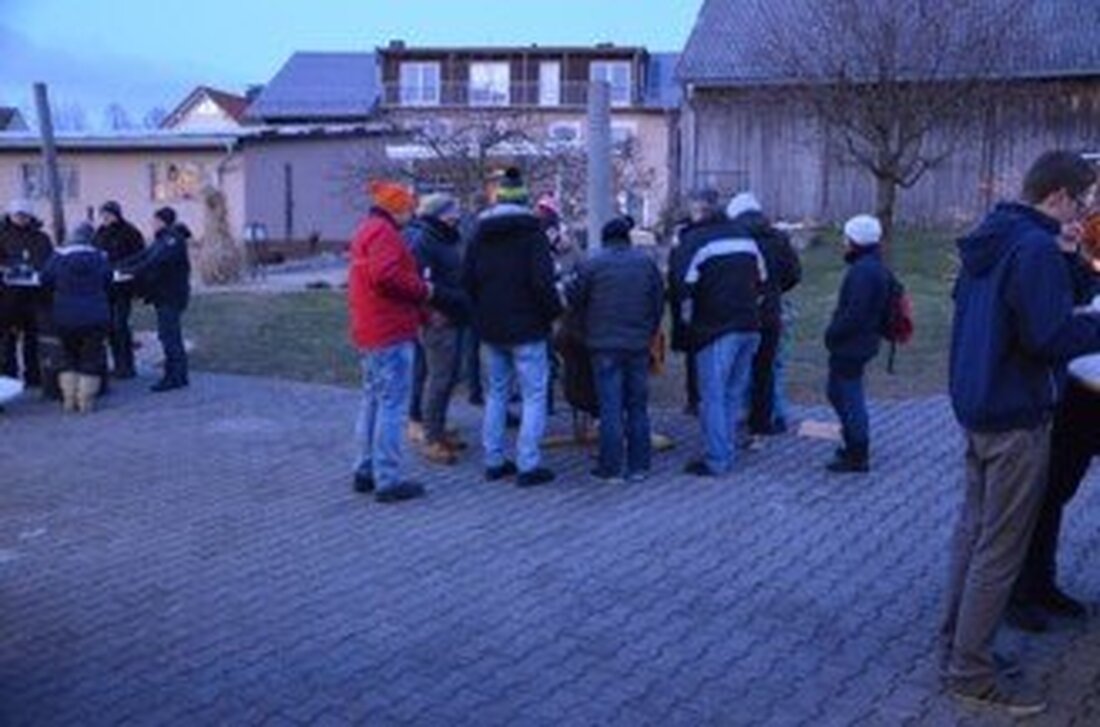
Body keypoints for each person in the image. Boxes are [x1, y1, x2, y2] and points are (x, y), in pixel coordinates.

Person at [941, 150, 1100, 716]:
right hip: (1014, 416)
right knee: (999, 550)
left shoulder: (999, 234)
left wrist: (1076, 259)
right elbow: (1049, 335)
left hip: (980, 405)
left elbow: (1054, 302)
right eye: (1081, 200)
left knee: (974, 533)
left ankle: (956, 646)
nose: (1084, 211)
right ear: (1057, 195)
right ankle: (971, 671)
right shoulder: (1032, 247)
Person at [1008, 210, 1100, 632]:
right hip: (1079, 394)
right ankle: (1029, 587)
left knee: (1054, 492)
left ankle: (1039, 584)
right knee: (1049, 493)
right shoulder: (1059, 259)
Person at [463, 167, 562, 487]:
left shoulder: (478, 235)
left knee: (497, 394)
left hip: (491, 328)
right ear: (525, 201)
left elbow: (468, 281)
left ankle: (493, 460)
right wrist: (552, 314)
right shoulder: (533, 235)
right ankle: (528, 464)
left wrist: (480, 314)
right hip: (528, 327)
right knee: (534, 395)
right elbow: (543, 284)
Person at [668, 190, 767, 478]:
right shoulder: (745, 237)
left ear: (698, 211)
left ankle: (717, 459)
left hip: (715, 329)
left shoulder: (696, 240)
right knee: (732, 393)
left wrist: (686, 325)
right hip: (750, 324)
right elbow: (763, 281)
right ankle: (726, 450)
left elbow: (681, 287)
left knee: (712, 396)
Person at [348, 181, 432, 504]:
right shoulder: (384, 234)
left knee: (372, 401)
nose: (411, 216)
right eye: (408, 209)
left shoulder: (366, 231)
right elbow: (386, 276)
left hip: (369, 331)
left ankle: (365, 469)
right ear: (396, 208)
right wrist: (424, 289)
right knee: (392, 406)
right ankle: (388, 478)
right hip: (390, 332)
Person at [567, 216, 664, 482]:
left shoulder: (592, 263)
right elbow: (658, 303)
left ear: (605, 238)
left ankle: (610, 468)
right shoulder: (646, 264)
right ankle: (639, 466)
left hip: (603, 344)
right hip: (637, 344)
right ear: (628, 237)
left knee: (610, 407)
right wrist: (648, 331)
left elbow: (576, 299)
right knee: (637, 406)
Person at [725, 193, 802, 446]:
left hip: (739, 311)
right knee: (765, 369)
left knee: (735, 367)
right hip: (770, 311)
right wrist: (775, 289)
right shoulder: (778, 238)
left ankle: (731, 419)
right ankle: (761, 425)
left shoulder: (732, 237)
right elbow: (793, 274)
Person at [823, 215, 891, 473]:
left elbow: (855, 313)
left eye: (847, 236)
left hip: (852, 344)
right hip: (860, 341)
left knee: (848, 396)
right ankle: (853, 440)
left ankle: (857, 452)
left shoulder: (864, 271)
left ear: (856, 241)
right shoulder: (871, 265)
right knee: (837, 392)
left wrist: (833, 333)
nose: (844, 241)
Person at [406, 193, 471, 465]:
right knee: (439, 379)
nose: (459, 214)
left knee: (450, 377)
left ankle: (439, 427)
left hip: (455, 315)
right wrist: (431, 311)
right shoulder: (425, 241)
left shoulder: (448, 237)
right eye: (455, 209)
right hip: (438, 322)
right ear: (442, 214)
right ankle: (432, 438)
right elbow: (418, 284)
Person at [39, 223, 112, 412]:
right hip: (96, 316)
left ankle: (69, 399)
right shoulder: (100, 258)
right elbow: (108, 279)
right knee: (91, 358)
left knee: (69, 357)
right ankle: (86, 401)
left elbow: (44, 279)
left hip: (65, 316)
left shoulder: (58, 257)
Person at [119, 207, 191, 393]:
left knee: (170, 336)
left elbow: (154, 261)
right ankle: (177, 375)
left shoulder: (171, 240)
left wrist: (130, 272)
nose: (152, 224)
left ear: (161, 221)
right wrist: (120, 265)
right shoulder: (163, 239)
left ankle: (175, 376)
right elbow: (143, 255)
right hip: (164, 295)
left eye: (154, 220)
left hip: (171, 295)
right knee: (168, 335)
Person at [667, 190, 723, 417]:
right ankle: (695, 397)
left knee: (706, 351)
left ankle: (702, 399)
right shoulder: (685, 232)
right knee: (695, 351)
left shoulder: (697, 234)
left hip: (703, 297)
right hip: (695, 298)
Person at [0, 199, 53, 387]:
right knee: (7, 342)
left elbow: (49, 261)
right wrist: (8, 268)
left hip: (34, 296)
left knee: (33, 339)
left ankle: (34, 376)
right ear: (11, 216)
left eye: (24, 215)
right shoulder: (2, 236)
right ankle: (9, 379)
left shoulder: (41, 237)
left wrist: (38, 271)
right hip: (8, 297)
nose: (21, 219)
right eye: (17, 215)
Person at [93, 201, 145, 379]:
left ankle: (127, 366)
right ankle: (117, 365)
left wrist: (126, 271)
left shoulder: (130, 232)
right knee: (109, 328)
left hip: (123, 285)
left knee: (120, 325)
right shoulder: (100, 232)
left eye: (108, 215)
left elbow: (139, 257)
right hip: (105, 286)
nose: (105, 218)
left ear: (116, 214)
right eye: (103, 215)